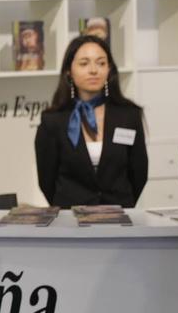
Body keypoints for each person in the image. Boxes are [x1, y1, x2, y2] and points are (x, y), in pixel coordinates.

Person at [34, 35, 148, 208]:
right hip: (70, 216)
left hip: (119, 214)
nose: (93, 70)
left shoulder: (128, 115)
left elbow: (139, 173)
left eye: (101, 63)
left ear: (109, 69)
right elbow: (46, 180)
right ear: (69, 71)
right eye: (84, 63)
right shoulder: (53, 120)